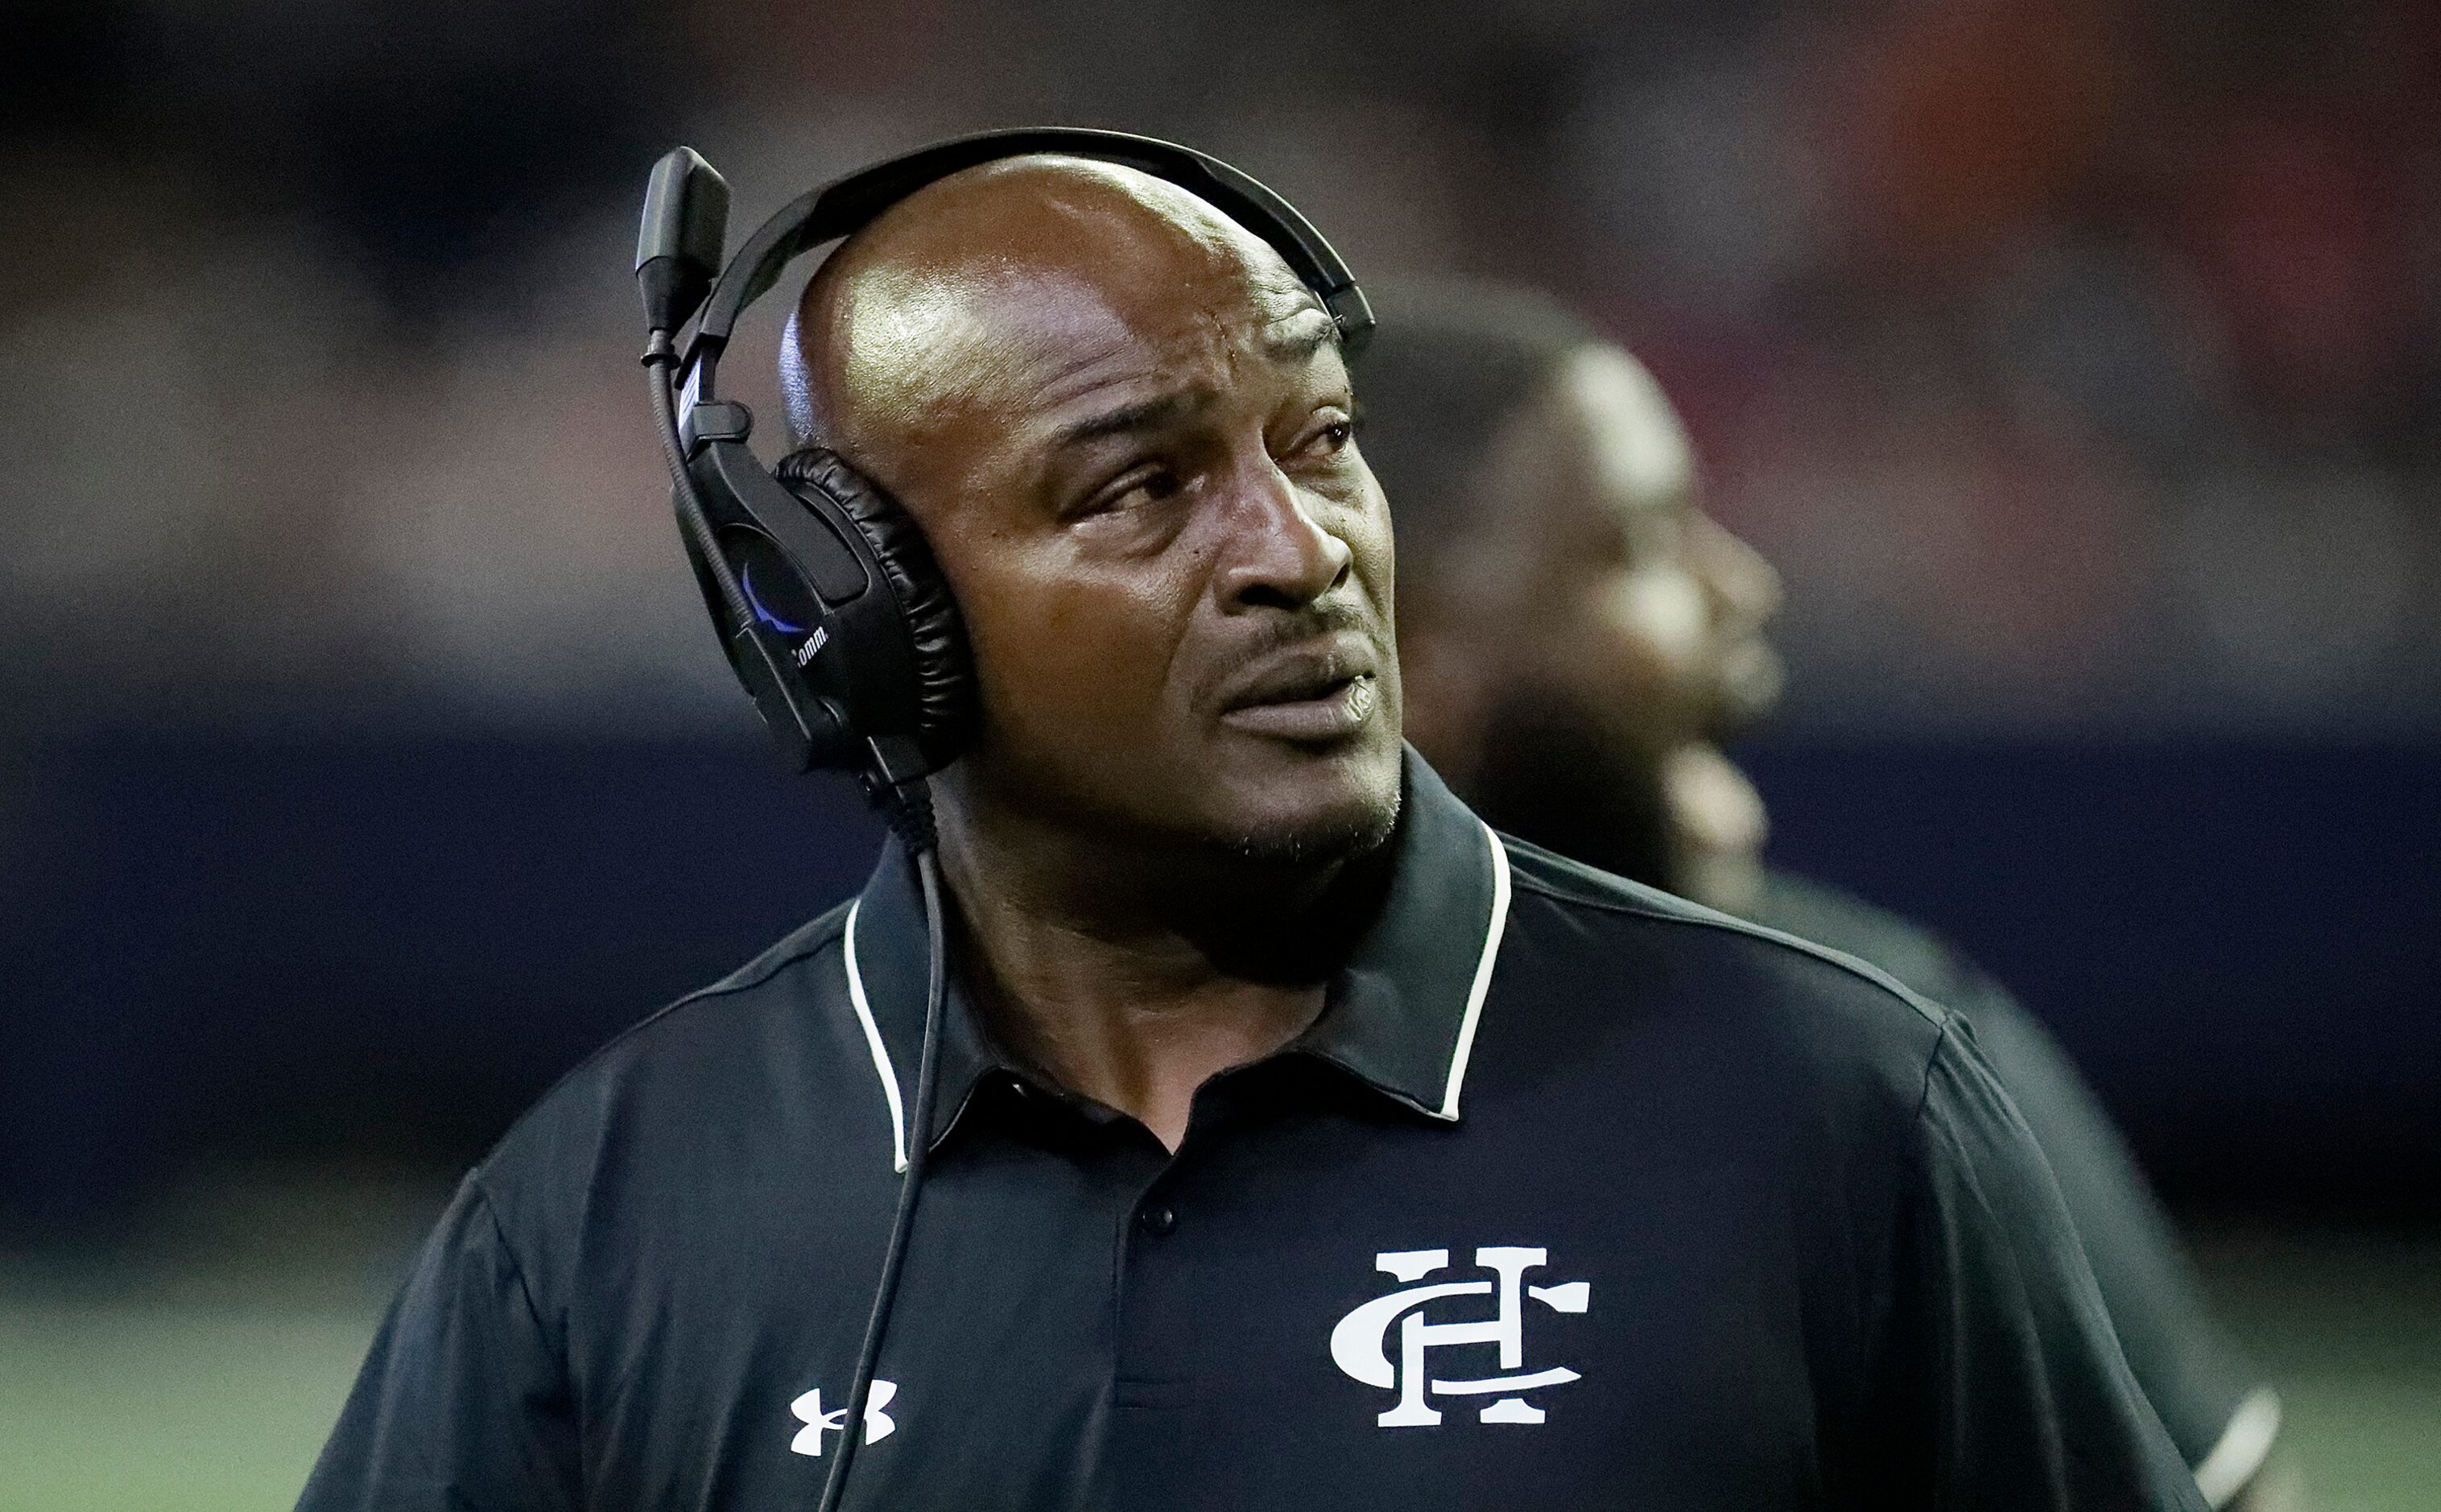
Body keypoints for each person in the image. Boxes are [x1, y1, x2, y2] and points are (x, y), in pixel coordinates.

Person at [299, 151, 2208, 1510]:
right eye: (1137, 488)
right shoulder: (604, 1217)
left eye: (1316, 443)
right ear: (859, 613)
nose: (1298, 557)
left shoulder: (1841, 1105)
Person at [1364, 279, 2294, 1511]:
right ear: (1386, 643)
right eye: (1637, 544)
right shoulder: (1119, 1080)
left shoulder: (1889, 1054)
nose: (1745, 585)